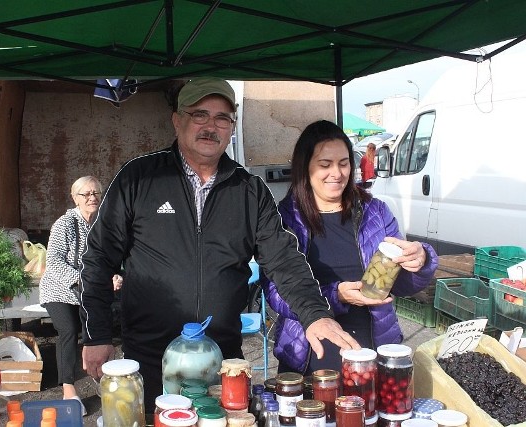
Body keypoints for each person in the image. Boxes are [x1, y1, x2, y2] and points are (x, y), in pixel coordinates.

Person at [78, 78, 360, 412]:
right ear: (178, 120)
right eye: (200, 115)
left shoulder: (249, 191)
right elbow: (98, 258)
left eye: (223, 118)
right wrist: (96, 335)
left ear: (232, 127)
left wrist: (315, 315)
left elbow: (283, 259)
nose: (211, 126)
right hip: (153, 358)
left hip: (223, 361)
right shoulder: (140, 178)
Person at [263, 120, 438, 374]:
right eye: (325, 165)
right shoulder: (285, 218)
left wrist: (420, 261)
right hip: (308, 355)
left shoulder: (375, 212)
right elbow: (276, 292)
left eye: (343, 163)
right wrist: (336, 295)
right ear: (305, 168)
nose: (337, 173)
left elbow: (399, 285)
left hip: (371, 351)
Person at [39, 176, 122, 415]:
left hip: (89, 292)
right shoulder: (64, 224)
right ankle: (68, 390)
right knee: (67, 330)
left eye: (96, 193)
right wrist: (84, 279)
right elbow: (53, 261)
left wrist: (116, 275)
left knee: (95, 332)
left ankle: (100, 379)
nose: (92, 198)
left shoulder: (104, 225)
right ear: (75, 198)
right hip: (60, 289)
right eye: (85, 194)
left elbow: (113, 259)